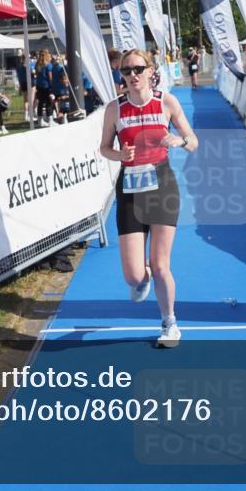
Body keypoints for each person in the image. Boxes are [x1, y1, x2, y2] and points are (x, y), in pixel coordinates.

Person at [99, 49, 197, 348]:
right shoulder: (114, 109)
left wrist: (178, 140)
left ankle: (169, 323)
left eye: (138, 69)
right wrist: (119, 154)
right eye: (126, 71)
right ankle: (139, 281)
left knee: (160, 264)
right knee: (133, 275)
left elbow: (193, 141)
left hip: (162, 187)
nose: (132, 75)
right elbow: (103, 148)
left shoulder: (166, 102)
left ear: (151, 70)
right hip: (129, 189)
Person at [34, 50, 54, 127]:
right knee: (49, 103)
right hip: (46, 86)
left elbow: (36, 74)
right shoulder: (48, 65)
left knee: (40, 103)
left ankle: (40, 121)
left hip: (39, 86)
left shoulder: (37, 64)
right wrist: (52, 86)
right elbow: (50, 77)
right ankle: (50, 121)